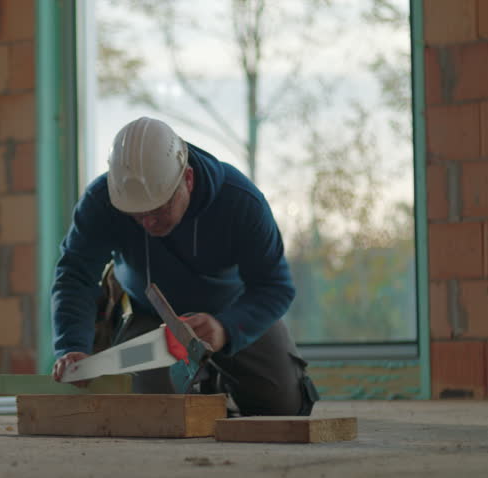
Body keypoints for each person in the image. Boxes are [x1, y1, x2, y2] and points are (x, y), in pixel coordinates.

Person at [50, 117, 318, 416]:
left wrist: (226, 328)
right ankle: (199, 387)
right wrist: (71, 345)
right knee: (153, 413)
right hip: (148, 316)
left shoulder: (242, 201)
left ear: (187, 180)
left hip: (232, 313)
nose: (149, 223)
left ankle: (216, 379)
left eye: (159, 208)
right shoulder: (100, 201)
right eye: (136, 216)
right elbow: (75, 276)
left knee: (283, 406)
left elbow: (276, 287)